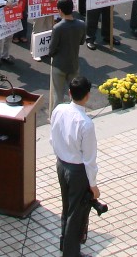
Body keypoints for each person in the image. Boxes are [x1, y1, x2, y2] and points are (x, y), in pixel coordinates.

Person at [50, 76, 100, 257]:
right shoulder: (86, 123)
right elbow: (89, 159)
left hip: (61, 164)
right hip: (77, 171)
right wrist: (93, 185)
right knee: (75, 214)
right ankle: (71, 253)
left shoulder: (59, 110)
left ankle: (66, 244)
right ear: (87, 96)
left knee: (66, 207)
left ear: (69, 93)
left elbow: (52, 137)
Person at [48, 0, 87, 117]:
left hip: (59, 65)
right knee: (75, 96)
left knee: (58, 96)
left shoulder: (58, 27)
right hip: (74, 64)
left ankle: (55, 118)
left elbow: (51, 50)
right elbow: (81, 42)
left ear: (60, 10)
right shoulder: (81, 24)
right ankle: (74, 117)